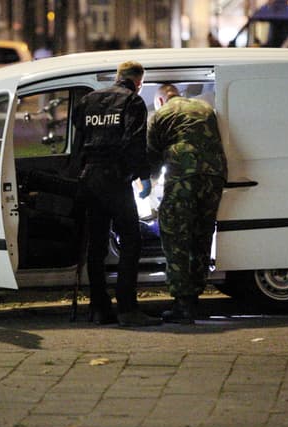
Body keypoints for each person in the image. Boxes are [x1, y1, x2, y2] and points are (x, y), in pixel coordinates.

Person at [72, 61, 161, 327]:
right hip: (115, 180)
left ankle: (99, 308)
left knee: (96, 246)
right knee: (132, 242)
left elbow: (79, 142)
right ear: (138, 81)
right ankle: (127, 309)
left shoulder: (88, 100)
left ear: (117, 76)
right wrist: (144, 177)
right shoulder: (132, 102)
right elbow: (135, 143)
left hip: (90, 178)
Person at [147, 84, 228, 324]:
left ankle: (182, 303)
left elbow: (152, 156)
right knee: (202, 234)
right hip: (214, 176)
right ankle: (195, 296)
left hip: (185, 176)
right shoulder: (205, 107)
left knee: (176, 236)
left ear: (161, 100)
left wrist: (146, 184)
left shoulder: (161, 114)